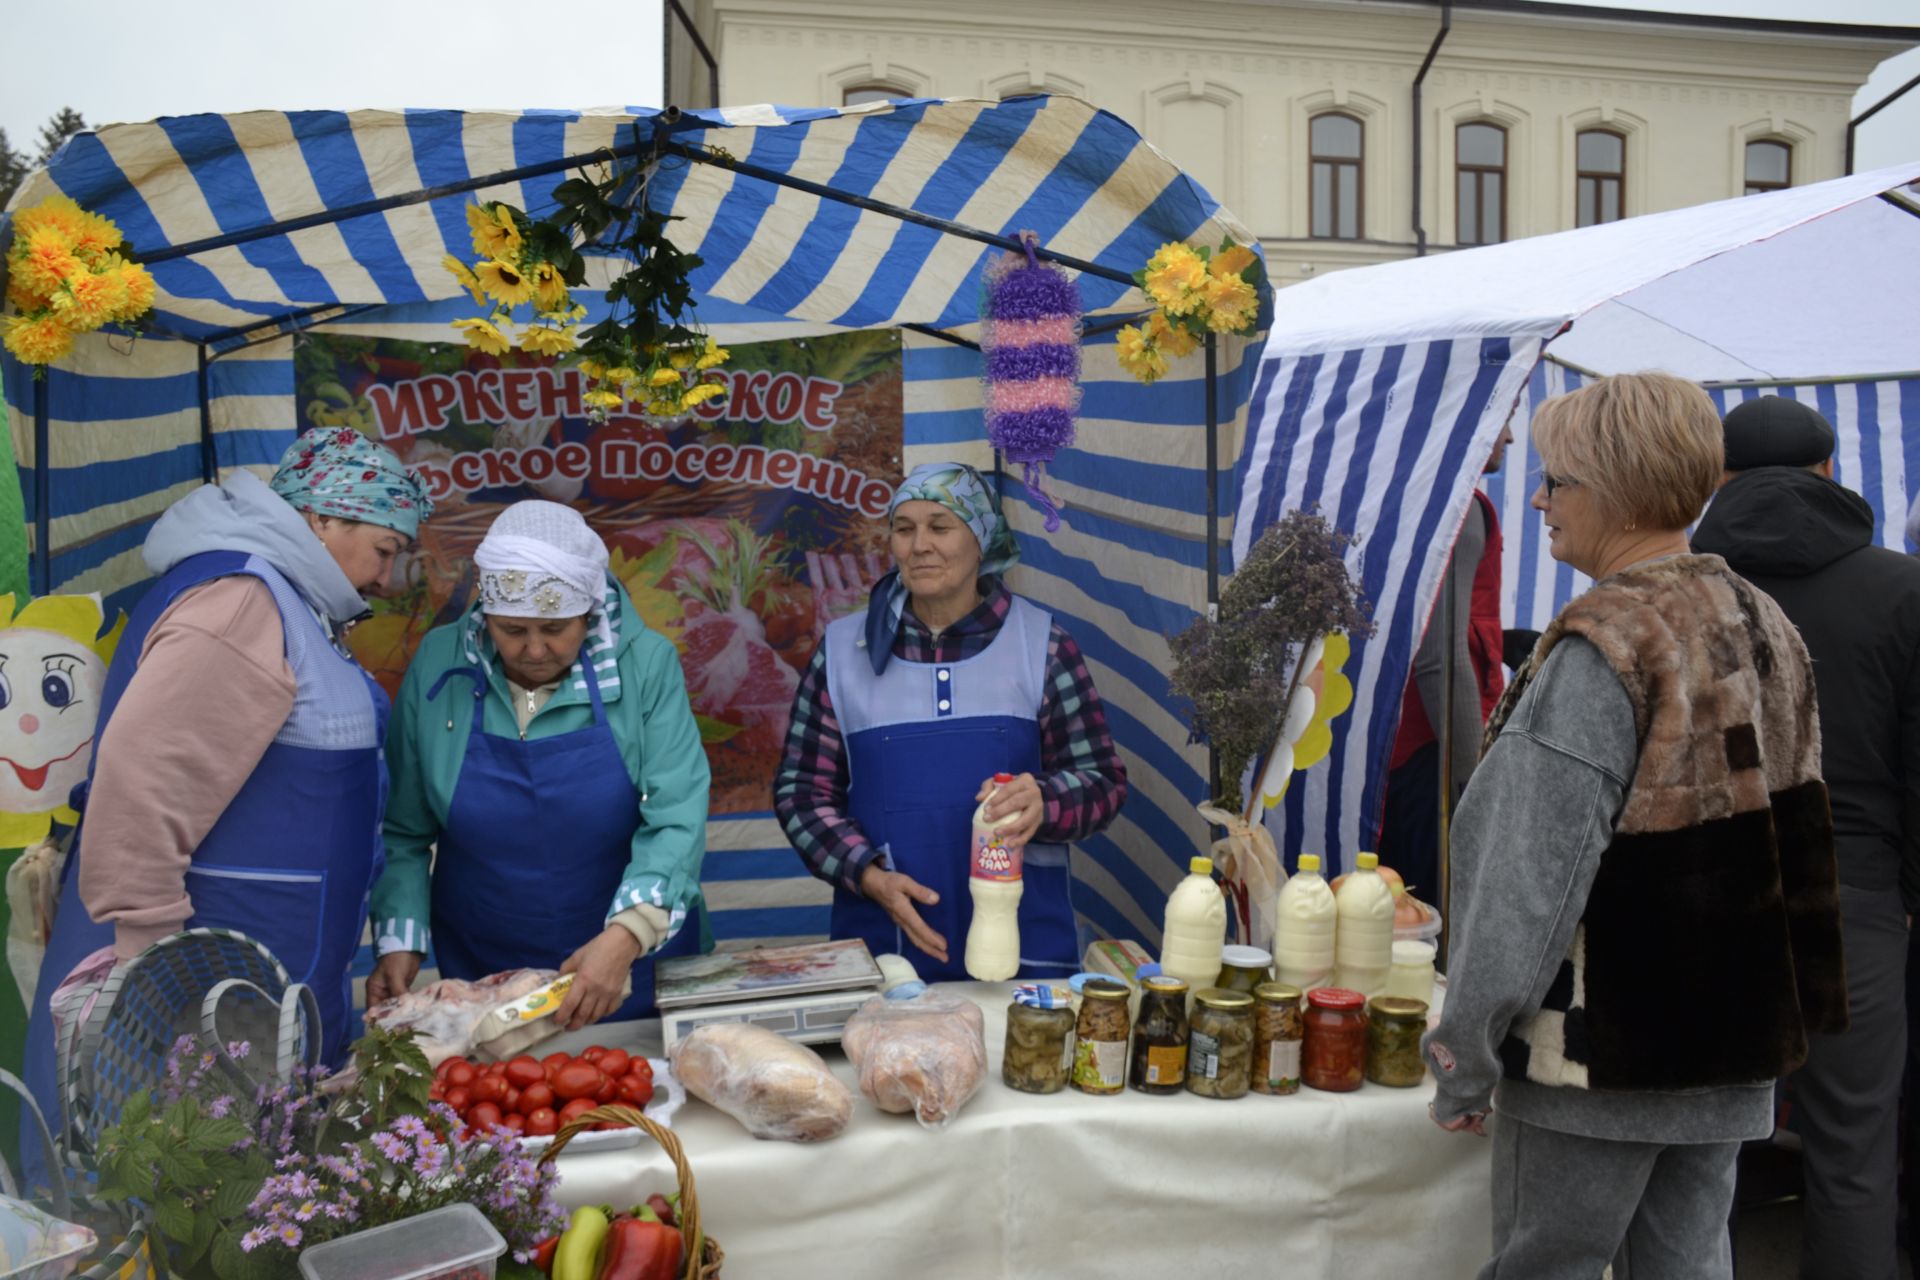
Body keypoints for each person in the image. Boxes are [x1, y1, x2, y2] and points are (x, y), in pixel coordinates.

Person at [1423, 373, 1846, 1278]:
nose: (1538, 497)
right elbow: (1805, 837)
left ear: (1613, 486)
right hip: (1734, 1043)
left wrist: (1465, 1050)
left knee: (1548, 1267)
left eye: (1556, 479)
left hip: (1604, 1054)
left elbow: (1527, 875)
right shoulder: (1763, 620)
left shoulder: (1608, 643)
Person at [25, 426, 433, 1105]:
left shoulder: (290, 599)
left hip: (255, 988)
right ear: (321, 517)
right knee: (174, 1191)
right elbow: (143, 779)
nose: (385, 579)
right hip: (196, 998)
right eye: (384, 550)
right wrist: (154, 967)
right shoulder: (239, 601)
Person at [1692, 394, 1920, 1280]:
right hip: (1855, 894)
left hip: (1702, 889)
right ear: (1832, 471)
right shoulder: (1902, 588)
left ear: (1720, 479)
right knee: (1853, 1151)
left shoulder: (1688, 588)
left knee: (1692, 1143)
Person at [774, 462, 1128, 982]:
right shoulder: (842, 653)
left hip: (1026, 955)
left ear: (981, 539)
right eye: (904, 528)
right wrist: (867, 875)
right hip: (885, 957)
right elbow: (801, 792)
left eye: (940, 526)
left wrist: (1046, 800)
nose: (920, 545)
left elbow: (1103, 783)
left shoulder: (1043, 645)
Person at [367, 500, 709, 1028]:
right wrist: (400, 936)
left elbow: (676, 816)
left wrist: (627, 936)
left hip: (635, 967)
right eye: (511, 630)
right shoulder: (440, 662)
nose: (532, 650)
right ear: (486, 613)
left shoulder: (645, 664)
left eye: (555, 629)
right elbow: (404, 830)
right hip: (489, 973)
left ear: (588, 611)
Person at [1378, 423, 1511, 898]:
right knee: (1435, 925)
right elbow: (1440, 660)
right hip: (1436, 750)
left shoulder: (1401, 495)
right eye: (1504, 417)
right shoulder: (1458, 507)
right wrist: (1473, 781)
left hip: (1397, 742)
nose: (1510, 437)